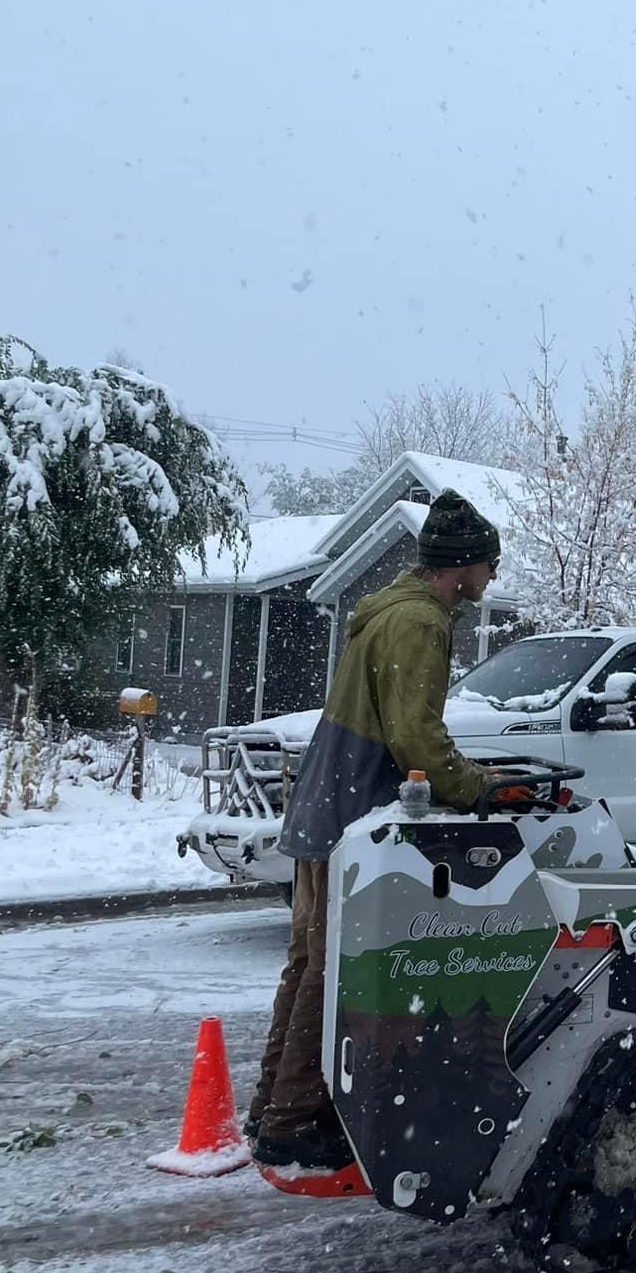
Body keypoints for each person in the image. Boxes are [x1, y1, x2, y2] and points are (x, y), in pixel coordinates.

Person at [248, 489, 498, 1170]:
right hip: (353, 814)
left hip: (322, 798)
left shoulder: (386, 610)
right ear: (463, 567)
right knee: (334, 970)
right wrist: (473, 788)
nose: (491, 581)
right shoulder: (421, 622)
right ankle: (294, 1121)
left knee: (306, 962)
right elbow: (415, 731)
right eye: (489, 567)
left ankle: (271, 1104)